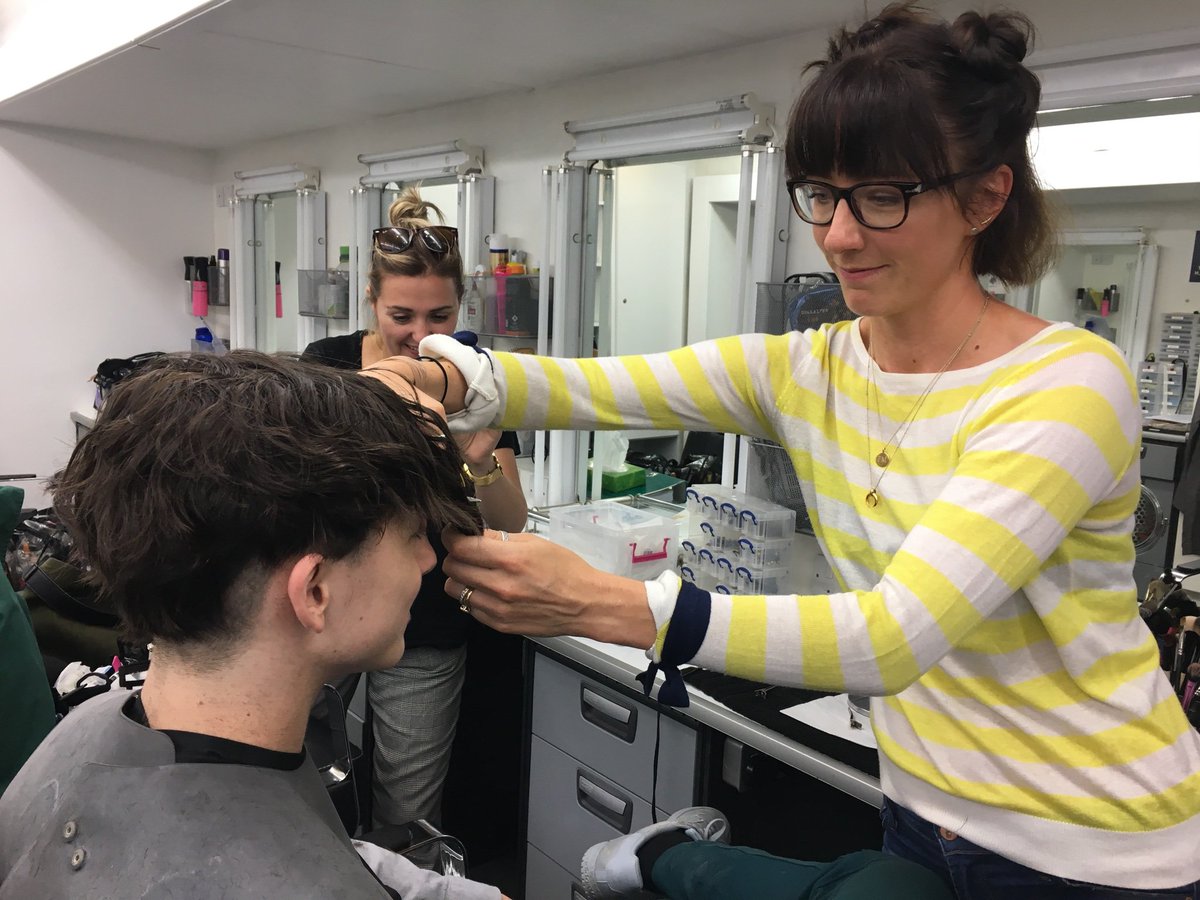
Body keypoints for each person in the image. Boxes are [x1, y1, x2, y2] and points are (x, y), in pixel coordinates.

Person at [365, 4, 1200, 895]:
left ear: (984, 197)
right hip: (922, 808)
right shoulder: (808, 370)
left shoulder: (1067, 382)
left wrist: (609, 605)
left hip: (1102, 844)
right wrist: (443, 380)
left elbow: (892, 636)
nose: (840, 234)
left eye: (884, 195)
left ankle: (667, 857)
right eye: (823, 194)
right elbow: (586, 384)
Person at [0, 352, 506, 900]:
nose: (429, 562)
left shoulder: (89, 726)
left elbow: (292, 839)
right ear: (315, 591)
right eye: (414, 536)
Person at [304, 187, 528, 832]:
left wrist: (475, 457)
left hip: (426, 619)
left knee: (408, 807)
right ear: (371, 301)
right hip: (328, 605)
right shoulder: (329, 369)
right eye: (402, 315)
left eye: (441, 316)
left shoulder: (475, 383)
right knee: (298, 773)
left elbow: (509, 519)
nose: (422, 337)